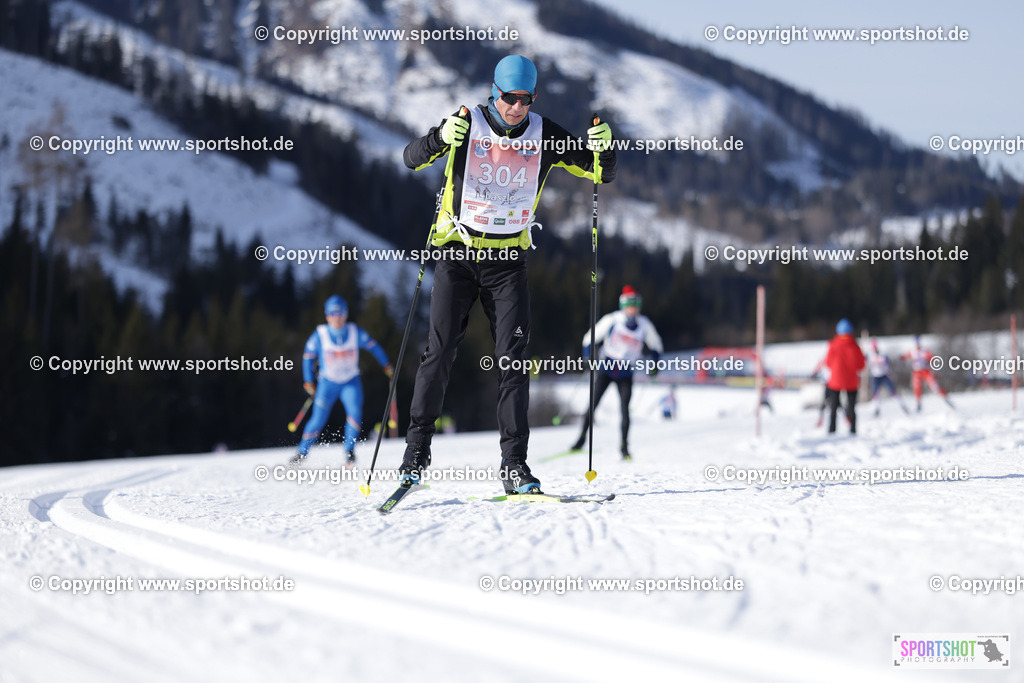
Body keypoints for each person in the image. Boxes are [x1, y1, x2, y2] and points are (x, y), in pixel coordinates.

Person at [399, 55, 618, 494]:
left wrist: (604, 146)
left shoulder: (545, 134)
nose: (516, 107)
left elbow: (600, 172)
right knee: (439, 354)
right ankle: (415, 455)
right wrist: (440, 137)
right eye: (508, 98)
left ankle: (514, 465)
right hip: (457, 255)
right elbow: (411, 158)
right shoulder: (467, 123)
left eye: (525, 99)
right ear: (492, 92)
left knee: (514, 362)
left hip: (506, 264)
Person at [289, 295, 392, 467]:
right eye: (332, 313)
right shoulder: (320, 335)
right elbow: (307, 357)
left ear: (345, 314)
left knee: (354, 413)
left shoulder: (355, 332)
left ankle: (349, 452)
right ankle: (301, 452)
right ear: (327, 315)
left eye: (340, 313)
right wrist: (308, 381)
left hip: (350, 382)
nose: (336, 318)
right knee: (318, 418)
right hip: (327, 383)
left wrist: (387, 366)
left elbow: (374, 348)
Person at [571, 286, 663, 459]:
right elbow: (589, 338)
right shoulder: (613, 319)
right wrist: (587, 357)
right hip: (606, 369)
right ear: (623, 306)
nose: (632, 309)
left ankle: (624, 447)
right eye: (629, 305)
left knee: (625, 411)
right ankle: (581, 440)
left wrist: (655, 364)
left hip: (625, 373)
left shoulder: (644, 324)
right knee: (593, 405)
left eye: (635, 305)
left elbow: (656, 345)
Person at [824, 319, 865, 435]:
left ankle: (832, 430)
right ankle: (853, 429)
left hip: (835, 380)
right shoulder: (855, 346)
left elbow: (827, 363)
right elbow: (861, 365)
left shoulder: (833, 345)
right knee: (852, 407)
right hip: (851, 381)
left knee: (833, 407)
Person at [900, 335, 952, 412]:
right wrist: (902, 358)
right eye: (916, 344)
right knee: (917, 387)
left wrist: (935, 365)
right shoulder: (912, 351)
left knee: (935, 386)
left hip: (926, 372)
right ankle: (918, 404)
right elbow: (905, 356)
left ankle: (945, 398)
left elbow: (932, 358)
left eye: (918, 344)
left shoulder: (925, 351)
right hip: (917, 372)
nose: (917, 346)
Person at [866, 339, 909, 416]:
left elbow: (888, 365)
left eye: (876, 348)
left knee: (893, 391)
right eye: (873, 348)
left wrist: (890, 373)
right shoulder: (870, 356)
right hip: (876, 377)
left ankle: (902, 405)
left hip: (885, 375)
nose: (875, 350)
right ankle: (876, 409)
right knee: (875, 393)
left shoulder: (883, 355)